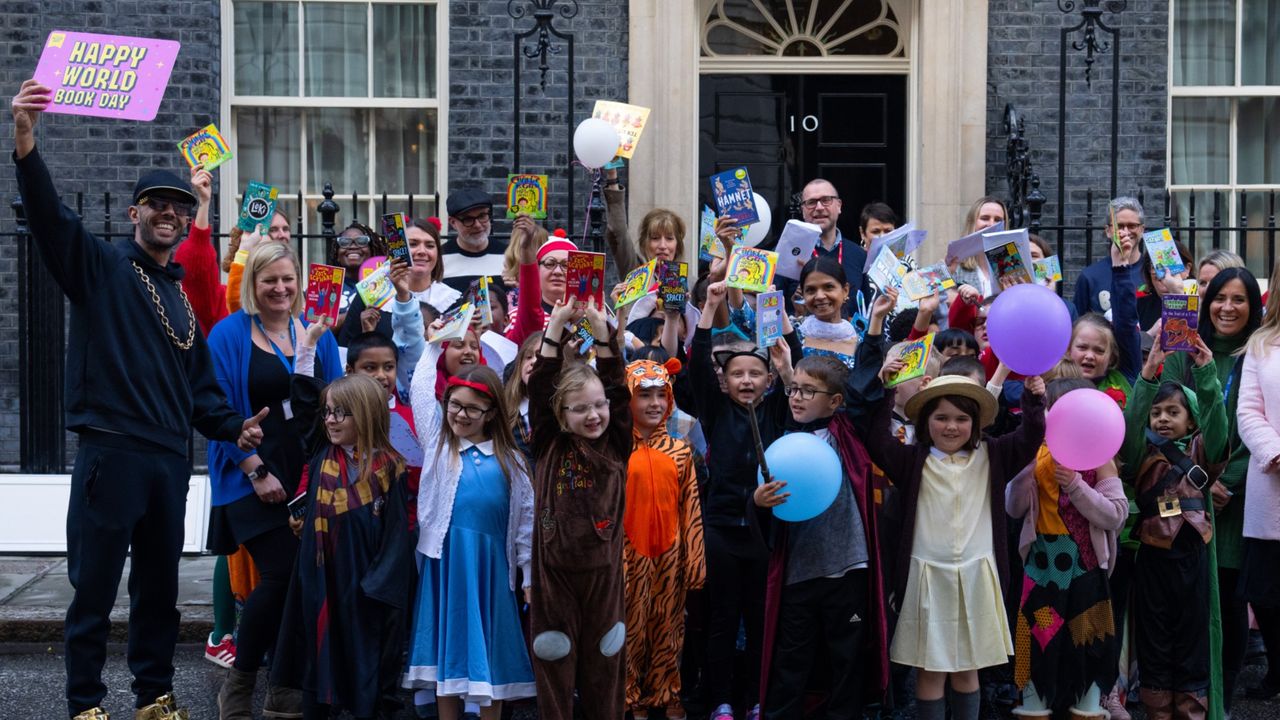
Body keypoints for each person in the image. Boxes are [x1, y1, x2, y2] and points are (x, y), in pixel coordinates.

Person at [11, 78, 266, 720]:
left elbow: (201, 391)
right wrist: (24, 139)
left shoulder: (180, 297)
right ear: (135, 214)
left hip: (167, 464)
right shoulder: (100, 268)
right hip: (111, 455)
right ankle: (85, 705)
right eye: (157, 204)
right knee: (94, 588)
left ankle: (154, 697)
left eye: (179, 208)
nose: (169, 214)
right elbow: (48, 218)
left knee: (158, 593)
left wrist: (236, 428)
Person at [206, 243, 343, 719]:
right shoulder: (228, 335)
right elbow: (215, 411)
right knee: (282, 573)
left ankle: (284, 687)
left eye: (288, 279)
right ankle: (239, 685)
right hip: (249, 475)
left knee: (303, 580)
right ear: (252, 285)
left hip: (306, 475)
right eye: (269, 280)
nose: (280, 288)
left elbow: (336, 400)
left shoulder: (318, 333)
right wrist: (255, 470)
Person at [866, 369, 1047, 720]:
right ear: (925, 421)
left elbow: (1030, 436)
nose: (952, 427)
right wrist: (886, 391)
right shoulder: (911, 460)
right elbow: (877, 440)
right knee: (930, 670)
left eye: (962, 418)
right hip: (926, 578)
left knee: (968, 668)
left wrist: (1034, 399)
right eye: (941, 418)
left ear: (976, 422)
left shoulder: (992, 455)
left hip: (977, 575)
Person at [752, 354, 891, 720]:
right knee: (791, 659)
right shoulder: (780, 436)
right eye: (793, 389)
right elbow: (757, 496)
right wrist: (757, 501)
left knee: (846, 658)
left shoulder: (848, 430)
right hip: (799, 570)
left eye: (808, 391)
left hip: (848, 568)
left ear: (834, 401)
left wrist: (875, 327)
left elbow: (864, 392)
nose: (796, 397)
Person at [405, 350, 536, 719]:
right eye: (454, 405)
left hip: (491, 568)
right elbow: (418, 388)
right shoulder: (438, 444)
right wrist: (433, 345)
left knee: (490, 654)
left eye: (472, 409)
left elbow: (525, 523)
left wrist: (527, 574)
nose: (461, 415)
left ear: (491, 413)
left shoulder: (512, 462)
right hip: (446, 565)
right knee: (449, 654)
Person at [690, 281, 799, 720]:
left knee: (759, 618)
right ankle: (720, 699)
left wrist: (777, 315)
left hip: (765, 532)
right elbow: (698, 366)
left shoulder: (776, 409)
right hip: (719, 528)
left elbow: (796, 379)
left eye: (754, 374)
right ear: (726, 381)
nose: (747, 380)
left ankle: (755, 698)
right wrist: (711, 305)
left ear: (768, 379)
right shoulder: (716, 411)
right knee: (722, 618)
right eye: (737, 374)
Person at [1159, 266, 1262, 710]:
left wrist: (1226, 482)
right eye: (1220, 297)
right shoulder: (1184, 350)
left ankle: (1224, 687)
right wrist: (1196, 479)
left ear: (1253, 307)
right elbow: (1165, 418)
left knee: (1229, 593)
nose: (1227, 307)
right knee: (1184, 591)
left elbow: (1261, 423)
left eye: (1239, 300)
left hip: (1237, 496)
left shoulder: (1260, 353)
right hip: (1184, 491)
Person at [525, 297, 633, 720]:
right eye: (581, 408)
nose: (594, 415)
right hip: (553, 576)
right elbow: (539, 386)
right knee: (553, 657)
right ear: (560, 413)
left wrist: (604, 336)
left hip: (603, 575)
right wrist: (554, 330)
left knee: (605, 663)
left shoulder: (616, 443)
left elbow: (618, 387)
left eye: (599, 405)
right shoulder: (548, 441)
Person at [287, 374, 416, 719]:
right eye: (327, 412)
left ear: (367, 414)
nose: (330, 420)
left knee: (364, 666)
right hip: (323, 580)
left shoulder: (390, 468)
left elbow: (395, 538)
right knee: (321, 660)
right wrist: (309, 344)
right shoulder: (321, 455)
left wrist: (376, 586)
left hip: (364, 589)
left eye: (341, 413)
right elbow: (301, 397)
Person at [1005, 377, 1128, 719]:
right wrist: (1024, 474)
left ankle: (1087, 707)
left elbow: (1116, 514)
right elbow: (1013, 509)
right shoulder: (1036, 453)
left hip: (1085, 569)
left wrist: (1076, 485)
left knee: (1088, 640)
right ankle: (1034, 704)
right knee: (1035, 637)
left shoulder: (1100, 458)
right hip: (1042, 567)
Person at [1119, 340, 1228, 720]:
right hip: (1153, 562)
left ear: (1191, 419)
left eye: (1173, 411)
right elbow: (1132, 422)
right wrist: (1148, 373)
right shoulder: (1140, 453)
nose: (1163, 418)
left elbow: (1217, 421)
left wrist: (1206, 372)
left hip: (1193, 562)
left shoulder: (1202, 451)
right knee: (1155, 645)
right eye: (1157, 412)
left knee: (1193, 646)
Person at [622, 358, 706, 720]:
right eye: (644, 396)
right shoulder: (615, 450)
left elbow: (691, 508)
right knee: (630, 628)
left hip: (670, 556)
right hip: (628, 556)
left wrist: (696, 559)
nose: (654, 403)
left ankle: (666, 689)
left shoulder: (681, 450)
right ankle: (630, 695)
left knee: (670, 627)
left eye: (661, 395)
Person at [1236, 268, 1280, 703]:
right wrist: (1275, 452)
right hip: (1274, 483)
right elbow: (1248, 410)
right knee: (1266, 593)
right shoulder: (1262, 345)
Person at [339, 217, 461, 347]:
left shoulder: (452, 299)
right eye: (413, 244)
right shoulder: (370, 295)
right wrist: (366, 335)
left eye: (430, 245)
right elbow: (345, 349)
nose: (422, 251)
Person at [777, 179, 872, 318]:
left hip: (850, 338)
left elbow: (867, 309)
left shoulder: (859, 255)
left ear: (839, 206)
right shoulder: (786, 253)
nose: (819, 207)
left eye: (826, 200)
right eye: (811, 202)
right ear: (803, 210)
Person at [1072, 197, 1147, 318]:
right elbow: (1078, 324)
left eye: (1132, 226)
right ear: (1108, 231)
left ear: (1142, 230)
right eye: (1119, 226)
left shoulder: (1155, 274)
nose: (1125, 232)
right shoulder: (1090, 276)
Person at [440, 187, 507, 293]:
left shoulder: (508, 255)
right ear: (452, 222)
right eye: (468, 219)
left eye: (482, 216)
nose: (477, 225)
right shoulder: (439, 258)